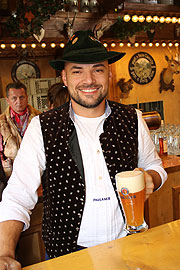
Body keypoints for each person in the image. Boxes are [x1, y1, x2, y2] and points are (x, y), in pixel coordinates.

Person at [0, 30, 167, 269]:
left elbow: (155, 167)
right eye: (77, 71)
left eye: (97, 69)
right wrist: (4, 251)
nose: (89, 80)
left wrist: (150, 177)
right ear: (65, 78)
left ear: (108, 74)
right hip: (68, 256)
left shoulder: (133, 118)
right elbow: (17, 196)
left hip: (130, 247)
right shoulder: (42, 127)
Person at [0, 82, 40, 178]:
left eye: (22, 97)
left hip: (36, 170)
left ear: (27, 97)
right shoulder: (1, 122)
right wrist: (3, 162)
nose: (18, 101)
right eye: (14, 98)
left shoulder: (39, 118)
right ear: (7, 100)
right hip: (12, 173)